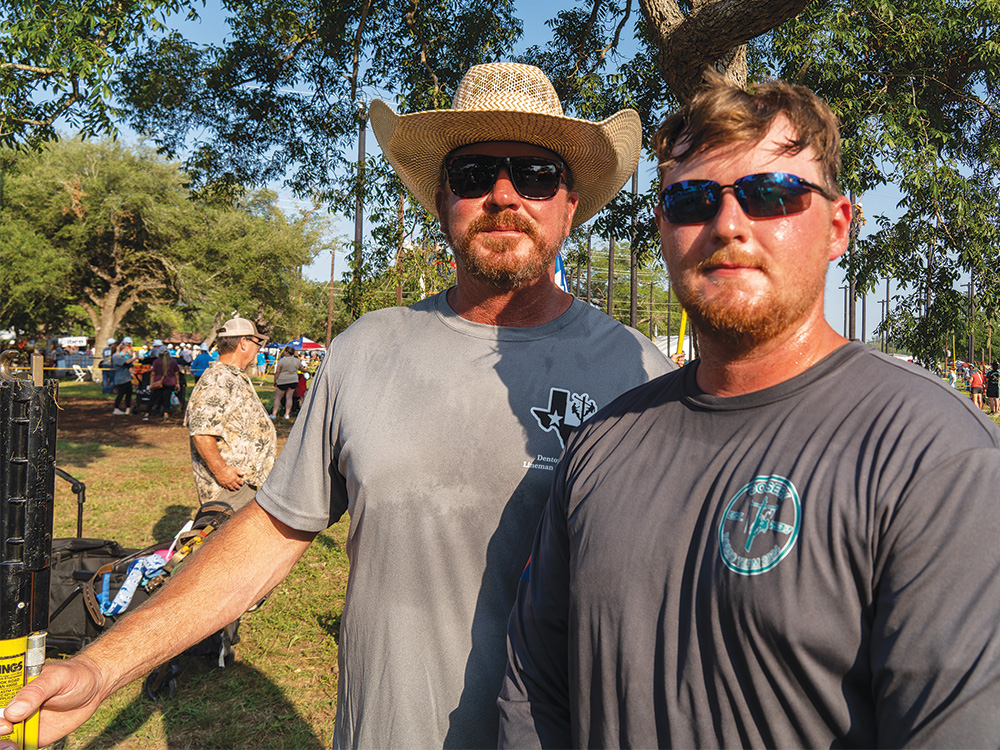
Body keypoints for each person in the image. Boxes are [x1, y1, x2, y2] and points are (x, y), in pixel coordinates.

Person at [0, 62, 673, 748]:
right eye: (474, 176)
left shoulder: (635, 368)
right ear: (440, 200)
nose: (504, 196)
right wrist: (101, 665)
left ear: (569, 201)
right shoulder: (366, 350)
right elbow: (272, 533)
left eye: (534, 176)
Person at [499, 76, 1000, 748]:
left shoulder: (933, 456)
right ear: (665, 229)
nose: (728, 225)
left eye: (772, 195)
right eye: (692, 200)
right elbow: (534, 686)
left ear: (837, 227)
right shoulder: (600, 445)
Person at [184, 317, 275, 512]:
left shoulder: (233, 376)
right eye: (257, 343)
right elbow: (201, 431)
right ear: (243, 342)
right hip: (229, 488)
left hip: (241, 484)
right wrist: (221, 470)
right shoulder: (218, 378)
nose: (259, 349)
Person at [270, 345, 304, 420]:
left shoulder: (282, 360)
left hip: (283, 380)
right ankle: (287, 414)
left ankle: (274, 414)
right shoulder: (297, 360)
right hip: (293, 380)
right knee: (289, 397)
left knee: (278, 397)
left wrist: (275, 380)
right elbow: (301, 369)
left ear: (286, 352)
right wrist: (307, 371)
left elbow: (277, 371)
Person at [147, 348, 180, 421]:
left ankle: (147, 413)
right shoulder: (173, 361)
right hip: (169, 382)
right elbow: (176, 373)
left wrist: (151, 384)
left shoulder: (156, 362)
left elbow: (153, 374)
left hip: (158, 382)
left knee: (153, 398)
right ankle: (166, 414)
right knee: (166, 398)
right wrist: (177, 383)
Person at [110, 341, 136, 415]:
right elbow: (127, 362)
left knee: (129, 393)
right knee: (121, 394)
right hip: (121, 378)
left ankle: (127, 408)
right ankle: (116, 408)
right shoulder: (116, 356)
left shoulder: (119, 356)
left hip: (126, 377)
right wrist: (134, 357)